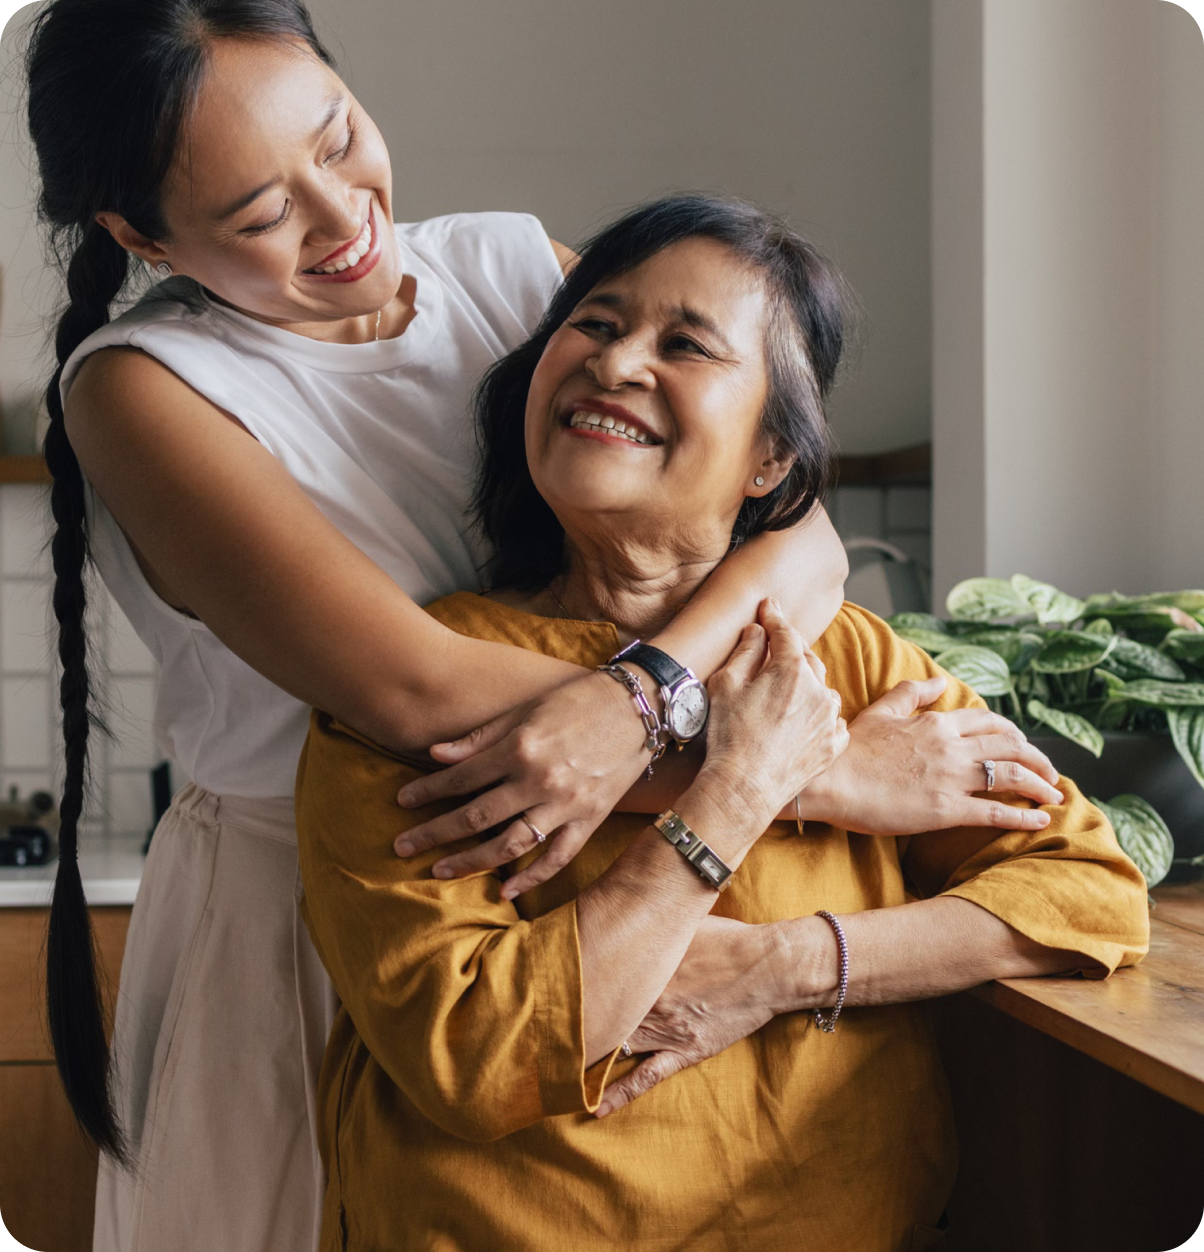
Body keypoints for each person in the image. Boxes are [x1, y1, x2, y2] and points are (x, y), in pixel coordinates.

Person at [25, 4, 855, 1249]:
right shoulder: (140, 392)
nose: (341, 212)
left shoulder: (517, 272)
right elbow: (410, 693)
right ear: (141, 233)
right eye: (261, 215)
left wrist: (642, 701)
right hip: (310, 924)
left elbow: (802, 531)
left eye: (340, 135)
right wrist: (801, 767)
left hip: (577, 905)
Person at [295, 196, 1150, 1252]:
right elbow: (475, 1052)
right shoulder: (416, 688)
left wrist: (788, 964)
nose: (615, 364)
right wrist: (737, 789)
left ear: (770, 463)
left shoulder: (849, 659)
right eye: (596, 325)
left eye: (685, 344)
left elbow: (1088, 896)